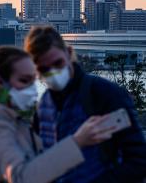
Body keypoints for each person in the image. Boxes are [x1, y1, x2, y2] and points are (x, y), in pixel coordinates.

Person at [0, 46, 114, 183]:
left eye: (33, 81)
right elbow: (21, 177)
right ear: (0, 83)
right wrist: (77, 142)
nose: (32, 89)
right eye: (24, 80)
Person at [25, 26, 146, 183]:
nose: (53, 72)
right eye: (44, 69)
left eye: (58, 63)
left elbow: (138, 159)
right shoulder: (43, 106)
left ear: (69, 54)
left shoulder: (103, 94)